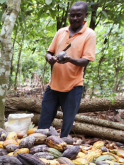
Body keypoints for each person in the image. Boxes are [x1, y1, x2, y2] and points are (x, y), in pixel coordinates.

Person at [38, 1, 96, 137]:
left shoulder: (89, 34)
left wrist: (69, 59)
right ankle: (39, 150)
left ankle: (62, 148)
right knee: (43, 123)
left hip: (73, 86)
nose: (75, 18)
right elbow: (49, 52)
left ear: (85, 16)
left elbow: (86, 61)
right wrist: (49, 58)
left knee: (67, 124)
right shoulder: (61, 32)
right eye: (72, 15)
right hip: (53, 85)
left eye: (78, 15)